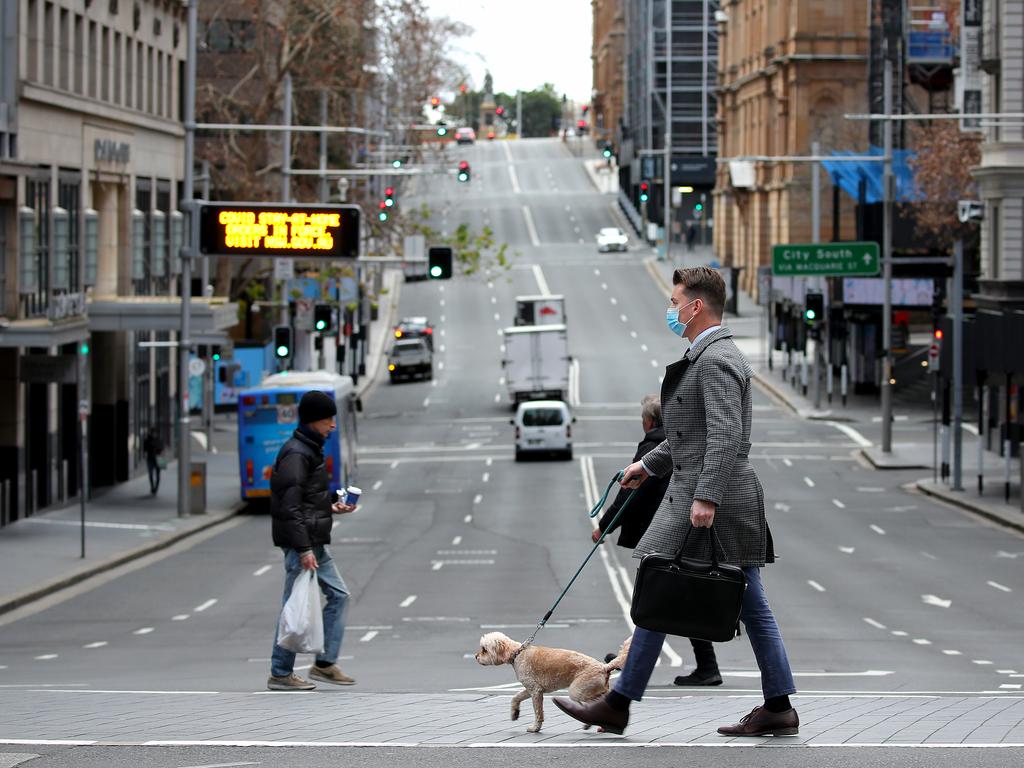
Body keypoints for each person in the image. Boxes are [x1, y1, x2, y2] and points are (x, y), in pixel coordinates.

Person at [555, 266, 798, 737]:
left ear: (696, 306)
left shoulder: (717, 359)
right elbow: (692, 434)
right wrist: (646, 467)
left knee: (661, 588)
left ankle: (620, 703)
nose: (671, 309)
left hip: (715, 498)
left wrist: (706, 497)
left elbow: (726, 434)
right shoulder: (706, 355)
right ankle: (777, 705)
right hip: (703, 491)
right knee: (685, 594)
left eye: (674, 302)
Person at [592, 394, 722, 686]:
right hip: (681, 529)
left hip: (662, 532)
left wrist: (604, 526)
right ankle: (701, 665)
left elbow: (631, 493)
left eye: (642, 419)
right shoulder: (680, 441)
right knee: (671, 600)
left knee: (652, 601)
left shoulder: (653, 446)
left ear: (649, 421)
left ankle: (633, 667)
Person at [267, 390, 357, 691]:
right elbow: (288, 506)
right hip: (302, 543)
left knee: (339, 595)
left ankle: (324, 663)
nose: (333, 425)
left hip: (313, 540)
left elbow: (305, 500)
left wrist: (332, 505)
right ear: (313, 421)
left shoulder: (309, 449)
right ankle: (280, 672)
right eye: (328, 419)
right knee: (293, 606)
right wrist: (303, 549)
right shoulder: (297, 453)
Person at [142, 428, 163, 495]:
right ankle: (152, 487)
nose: (154, 434)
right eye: (153, 433)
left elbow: (162, 449)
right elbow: (145, 449)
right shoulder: (147, 440)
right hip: (150, 459)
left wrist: (160, 453)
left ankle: (156, 488)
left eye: (155, 433)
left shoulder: (159, 440)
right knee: (150, 474)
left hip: (158, 458)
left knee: (158, 475)